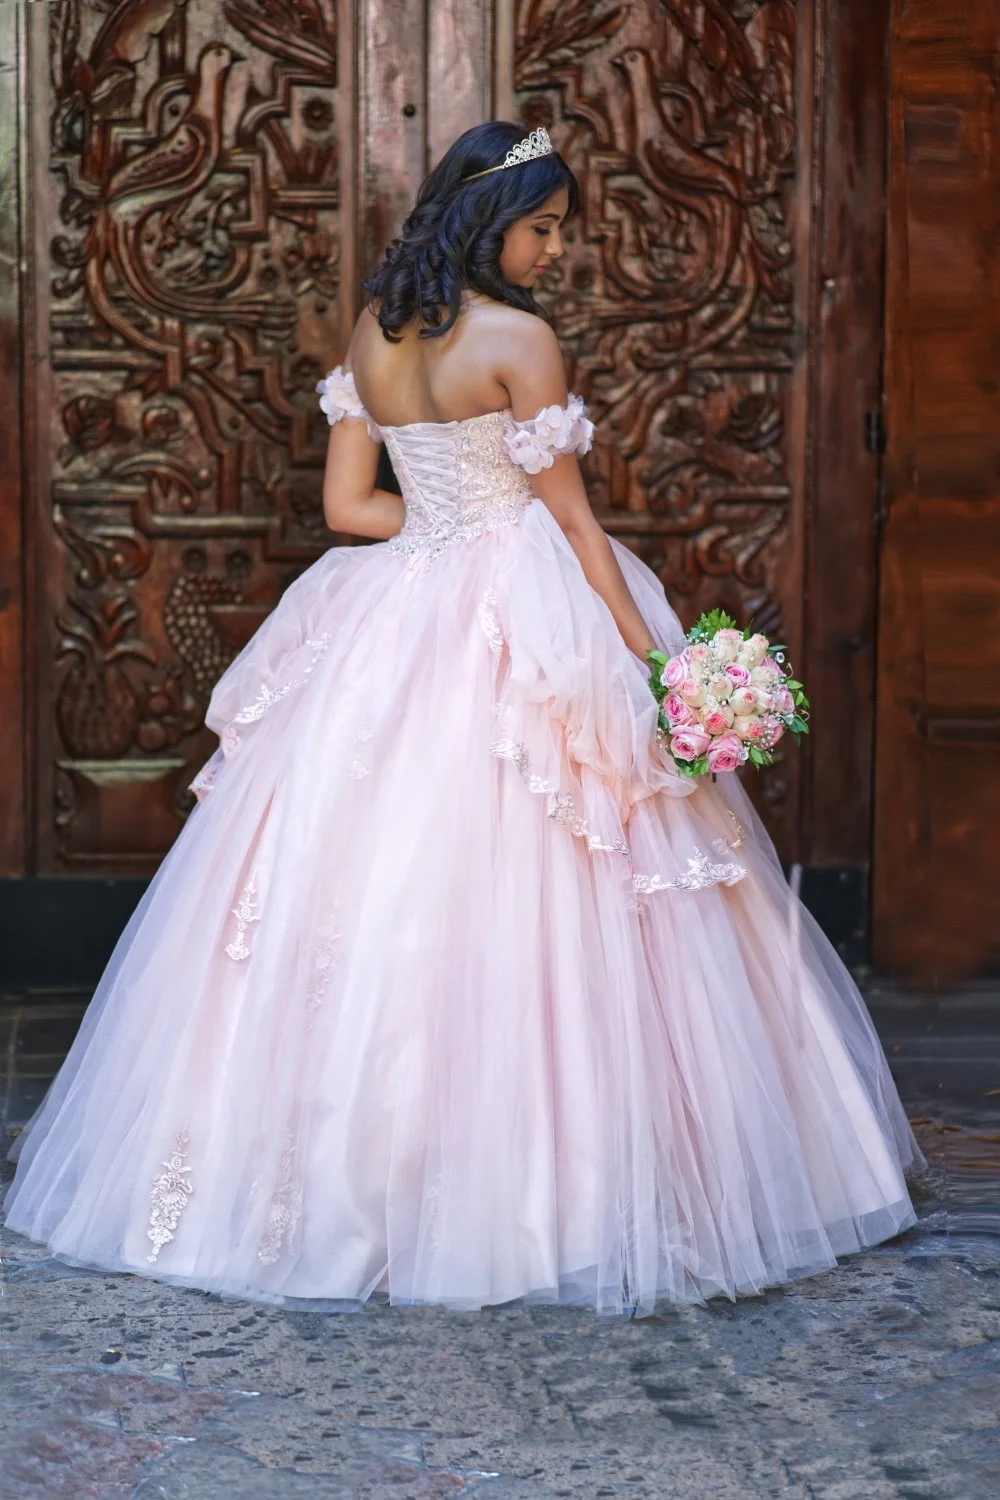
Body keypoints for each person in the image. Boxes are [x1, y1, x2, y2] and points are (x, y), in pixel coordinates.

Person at [4, 122, 923, 1315]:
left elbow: (348, 507)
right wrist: (666, 666)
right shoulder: (519, 343)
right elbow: (580, 529)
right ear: (496, 225)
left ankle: (328, 1189)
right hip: (522, 602)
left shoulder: (375, 334)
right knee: (574, 858)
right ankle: (551, 1197)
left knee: (353, 879)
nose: (556, 250)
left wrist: (441, 536)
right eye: (545, 228)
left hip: (392, 611)